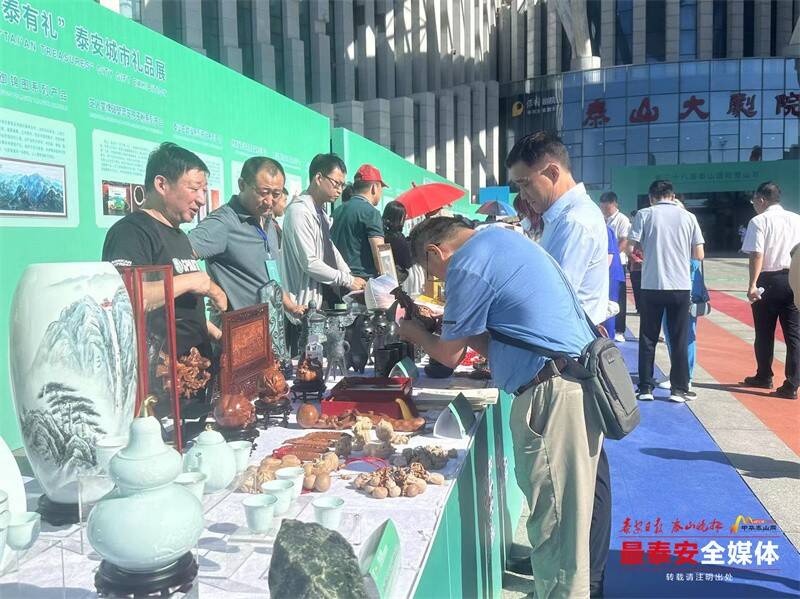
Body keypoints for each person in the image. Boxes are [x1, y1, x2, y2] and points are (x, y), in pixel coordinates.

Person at [398, 217, 600, 598]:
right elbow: (503, 337)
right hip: (566, 384)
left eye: (431, 270)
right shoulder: (498, 243)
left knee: (556, 526)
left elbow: (448, 355)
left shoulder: (467, 263)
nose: (436, 280)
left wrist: (415, 333)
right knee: (561, 523)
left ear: (434, 252)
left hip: (552, 394)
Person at [506, 131, 610, 597]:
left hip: (568, 364)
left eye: (526, 184)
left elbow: (548, 296)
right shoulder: (559, 218)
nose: (523, 194)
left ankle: (585, 575)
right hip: (568, 358)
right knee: (586, 472)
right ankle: (585, 570)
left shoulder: (575, 222)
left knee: (577, 481)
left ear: (551, 171)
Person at [102, 142, 227, 358]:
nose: (201, 199)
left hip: (195, 370)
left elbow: (178, 309)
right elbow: (126, 298)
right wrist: (196, 281)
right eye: (194, 188)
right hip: (160, 379)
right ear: (162, 184)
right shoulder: (131, 232)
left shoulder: (180, 235)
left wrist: (217, 334)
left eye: (204, 190)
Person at [188, 157, 305, 318]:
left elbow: (271, 277)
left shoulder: (268, 222)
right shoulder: (224, 222)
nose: (269, 201)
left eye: (276, 194)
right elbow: (181, 254)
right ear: (242, 185)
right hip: (237, 333)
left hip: (271, 331)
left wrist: (291, 307)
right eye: (263, 193)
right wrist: (212, 289)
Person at [629, 180, 705, 403]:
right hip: (680, 286)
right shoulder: (688, 216)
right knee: (679, 338)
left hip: (652, 284)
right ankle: (679, 389)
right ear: (672, 196)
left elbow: (632, 246)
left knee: (648, 337)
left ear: (652, 197)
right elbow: (698, 253)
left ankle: (645, 388)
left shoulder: (645, 214)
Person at [280, 153, 366, 316]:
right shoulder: (299, 211)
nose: (340, 190)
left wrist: (350, 276)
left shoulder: (321, 213)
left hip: (322, 302)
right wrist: (347, 280)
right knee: (310, 341)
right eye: (336, 184)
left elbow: (329, 248)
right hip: (303, 307)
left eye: (342, 185)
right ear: (319, 178)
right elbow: (310, 263)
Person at [740, 182, 800, 399]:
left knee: (764, 332)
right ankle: (792, 383)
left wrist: (752, 284)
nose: (754, 204)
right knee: (794, 334)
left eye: (754, 200)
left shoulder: (759, 221)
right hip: (794, 278)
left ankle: (764, 375)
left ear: (762, 200)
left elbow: (757, 254)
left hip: (769, 279)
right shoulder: (797, 219)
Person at [331, 164, 388, 279]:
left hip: (337, 280)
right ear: (374, 188)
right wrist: (390, 281)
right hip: (362, 283)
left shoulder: (336, 212)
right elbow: (380, 254)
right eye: (381, 189)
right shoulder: (371, 213)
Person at [600, 192, 631, 342]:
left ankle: (619, 330)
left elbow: (624, 240)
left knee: (619, 300)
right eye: (603, 206)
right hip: (607, 263)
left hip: (618, 263)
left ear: (614, 204)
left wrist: (613, 256)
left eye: (607, 205)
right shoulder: (602, 220)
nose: (605, 208)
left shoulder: (622, 219)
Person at [382, 200, 412, 282]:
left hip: (382, 275)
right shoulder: (398, 237)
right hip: (395, 277)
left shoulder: (380, 233)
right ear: (398, 218)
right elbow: (407, 263)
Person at [604, 226, 625, 338]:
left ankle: (608, 342)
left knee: (608, 310)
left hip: (610, 276)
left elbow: (609, 256)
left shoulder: (604, 229)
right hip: (608, 275)